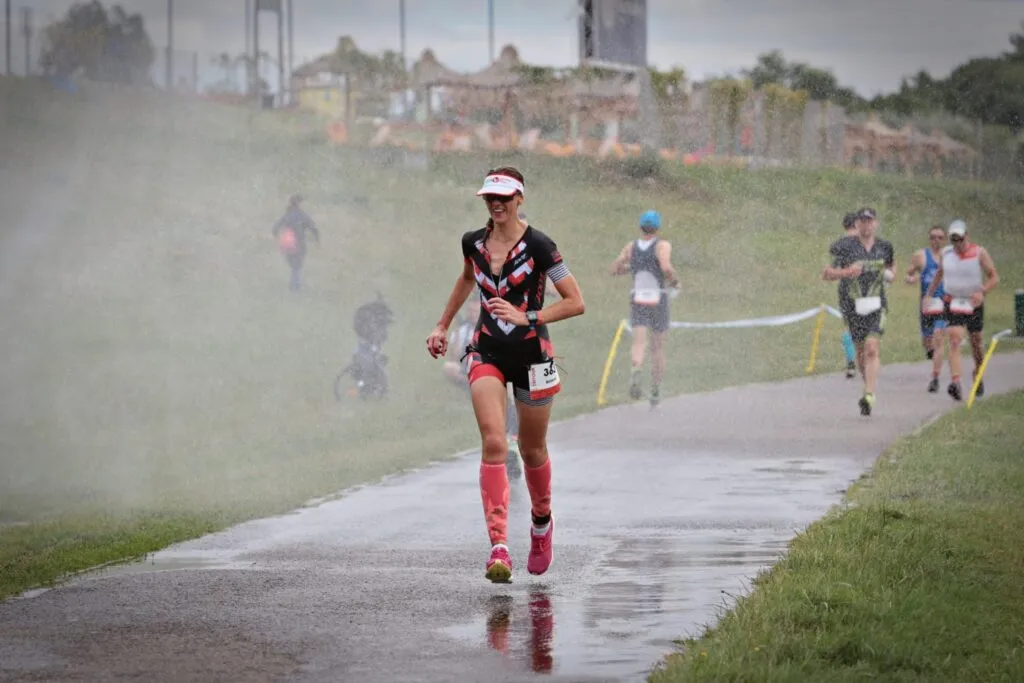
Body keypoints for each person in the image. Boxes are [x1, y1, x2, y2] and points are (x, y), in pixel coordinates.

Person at [426, 166, 585, 583]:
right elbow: (466, 279)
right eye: (489, 198)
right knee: (495, 440)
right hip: (487, 351)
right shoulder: (473, 243)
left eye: (504, 198)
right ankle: (498, 547)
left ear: (520, 199)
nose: (496, 205)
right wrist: (442, 325)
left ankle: (541, 522)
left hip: (534, 355)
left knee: (532, 449)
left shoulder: (540, 245)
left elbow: (575, 301)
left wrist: (526, 314)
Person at [822, 207, 896, 416]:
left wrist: (890, 275)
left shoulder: (884, 247)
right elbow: (826, 273)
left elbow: (892, 268)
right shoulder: (845, 247)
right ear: (857, 224)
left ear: (875, 224)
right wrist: (847, 272)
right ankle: (867, 388)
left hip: (876, 306)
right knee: (861, 352)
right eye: (862, 221)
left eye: (869, 221)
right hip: (852, 305)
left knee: (872, 348)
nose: (865, 225)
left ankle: (869, 394)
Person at [443, 298, 522, 478]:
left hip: (493, 371)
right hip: (471, 371)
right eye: (470, 312)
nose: (472, 315)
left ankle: (509, 441)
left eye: (476, 312)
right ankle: (503, 446)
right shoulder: (462, 332)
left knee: (503, 394)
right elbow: (454, 358)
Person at [923, 219, 1000, 401]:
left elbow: (994, 277)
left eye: (960, 239)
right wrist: (929, 295)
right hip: (953, 301)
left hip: (973, 303)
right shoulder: (946, 253)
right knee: (955, 338)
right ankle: (956, 382)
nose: (957, 244)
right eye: (953, 240)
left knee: (976, 345)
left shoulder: (979, 253)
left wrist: (983, 293)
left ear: (967, 236)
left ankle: (977, 374)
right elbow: (939, 274)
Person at [608, 209, 679, 407]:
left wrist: (631, 267)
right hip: (659, 299)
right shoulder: (662, 246)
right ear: (657, 227)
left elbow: (615, 269)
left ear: (641, 227)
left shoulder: (631, 247)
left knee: (639, 342)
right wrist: (675, 281)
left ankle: (636, 370)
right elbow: (665, 267)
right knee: (658, 348)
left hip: (638, 299)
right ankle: (656, 388)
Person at [904, 225, 950, 393]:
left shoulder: (949, 257)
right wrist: (911, 279)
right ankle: (932, 354)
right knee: (927, 342)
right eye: (933, 237)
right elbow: (909, 273)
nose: (936, 240)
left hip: (944, 304)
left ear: (944, 240)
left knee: (938, 339)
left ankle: (935, 378)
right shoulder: (921, 256)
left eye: (939, 237)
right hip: (927, 304)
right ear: (929, 239)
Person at [271, 194, 319, 291]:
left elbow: (275, 228)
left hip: (287, 245)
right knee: (297, 267)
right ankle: (295, 287)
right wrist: (317, 239)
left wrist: (278, 236)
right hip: (299, 244)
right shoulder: (302, 215)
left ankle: (294, 285)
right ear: (298, 203)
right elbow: (313, 228)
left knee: (294, 266)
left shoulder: (287, 214)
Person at [839, 212, 859, 379]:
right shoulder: (864, 242)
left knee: (848, 325)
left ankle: (851, 361)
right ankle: (860, 358)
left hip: (845, 288)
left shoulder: (841, 245)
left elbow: (835, 269)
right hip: (864, 290)